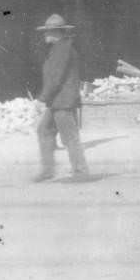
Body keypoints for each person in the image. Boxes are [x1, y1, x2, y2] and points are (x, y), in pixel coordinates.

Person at [34, 13, 90, 182]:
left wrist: (42, 98)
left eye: (47, 31)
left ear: (57, 33)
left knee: (69, 137)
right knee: (44, 130)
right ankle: (48, 171)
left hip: (63, 101)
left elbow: (55, 77)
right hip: (57, 101)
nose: (45, 34)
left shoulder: (62, 49)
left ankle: (80, 173)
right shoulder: (59, 48)